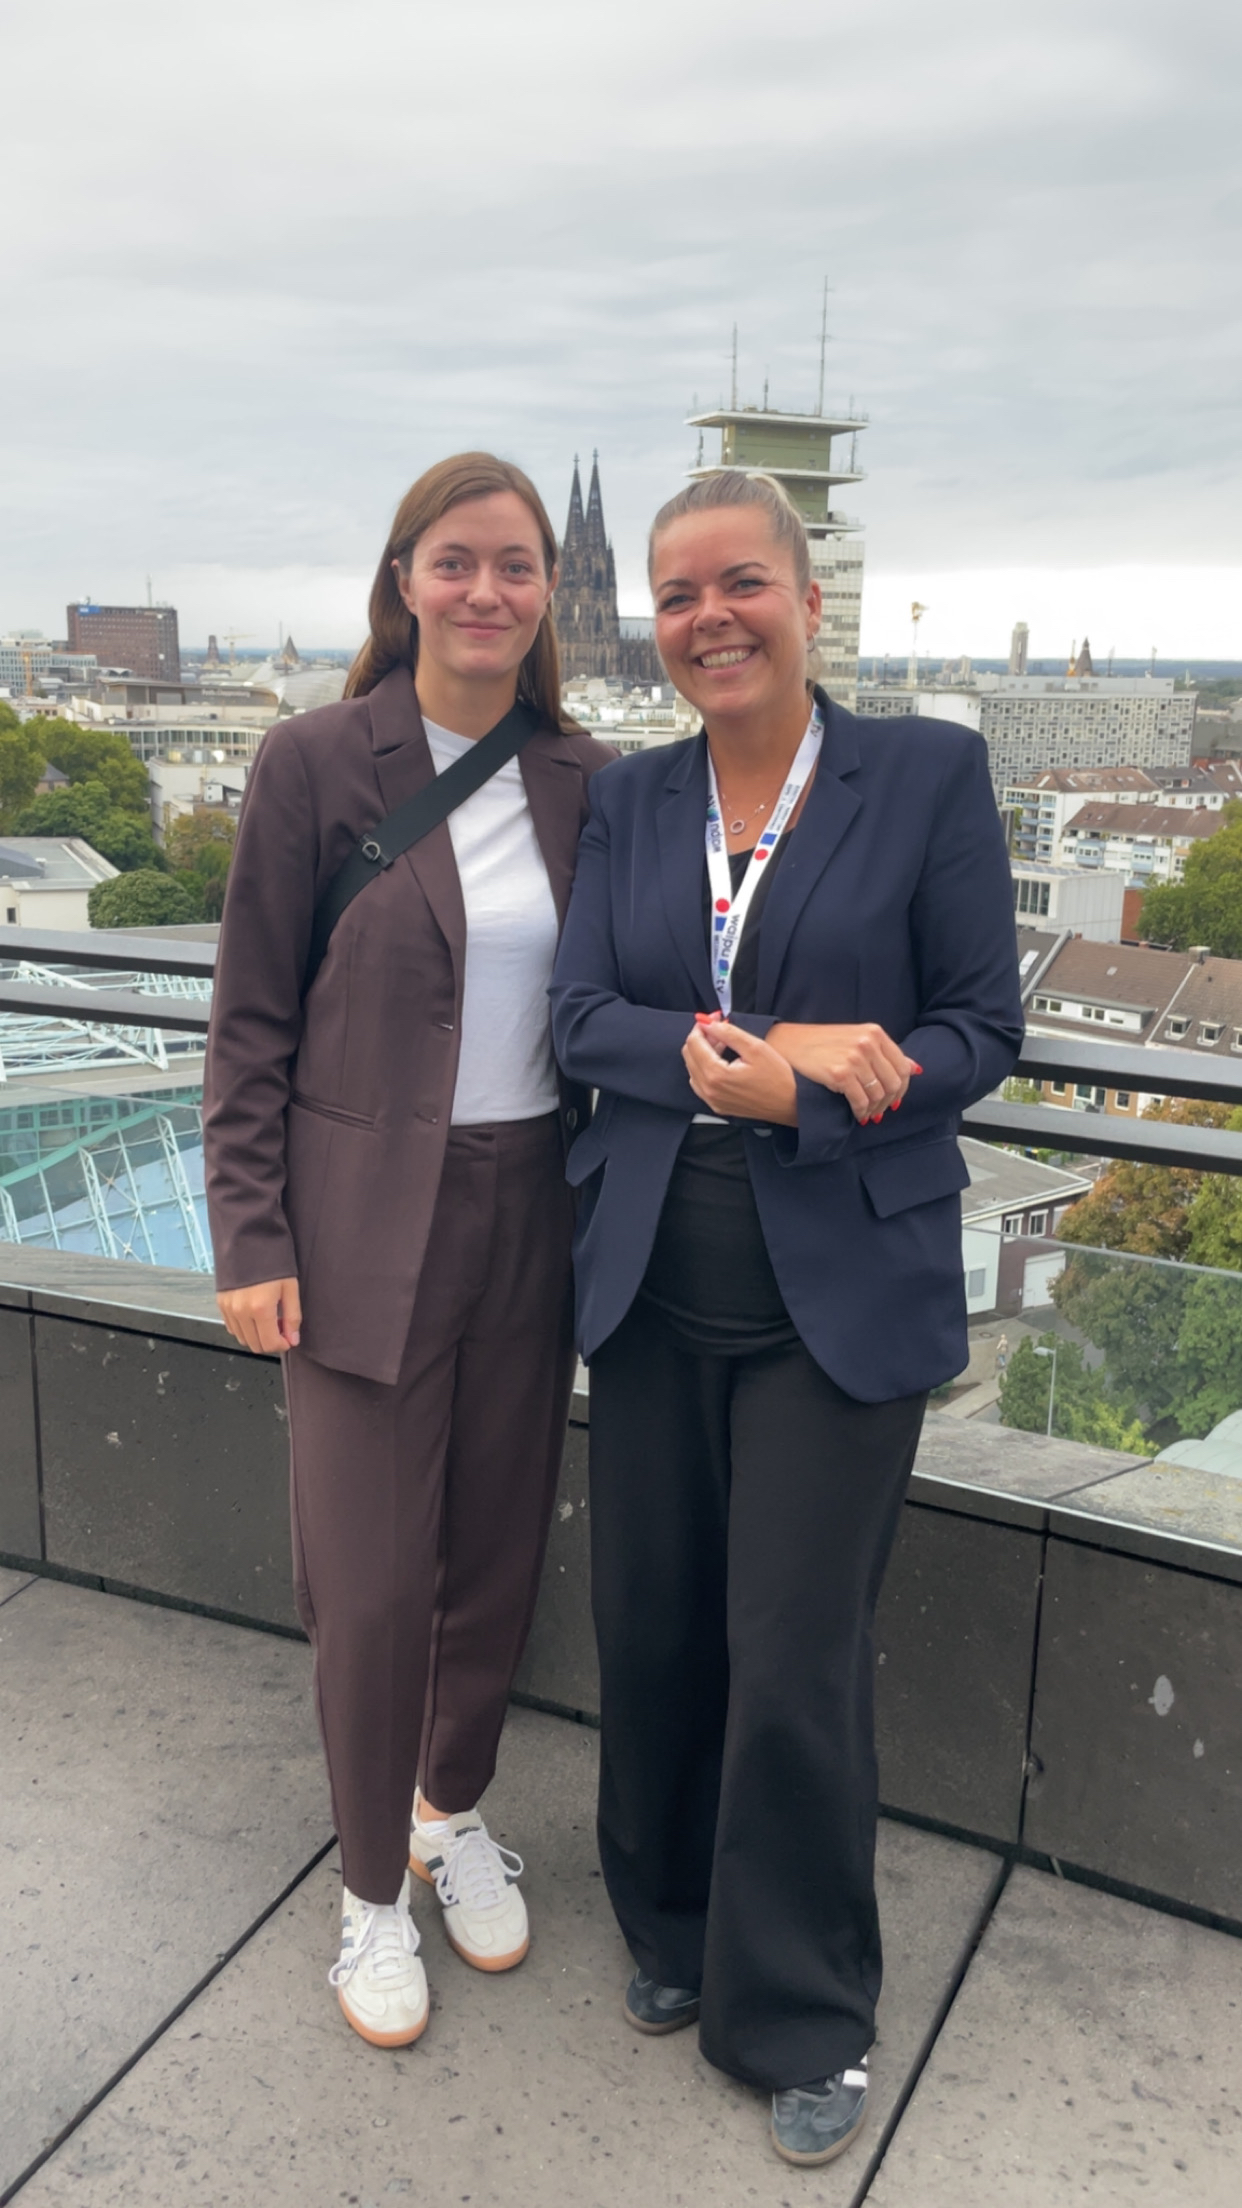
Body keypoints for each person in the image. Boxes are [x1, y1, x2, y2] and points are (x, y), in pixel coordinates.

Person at [549, 471, 1023, 2167]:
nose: (706, 618)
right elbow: (579, 1014)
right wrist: (760, 1052)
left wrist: (814, 1089)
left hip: (835, 1293)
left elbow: (979, 1027)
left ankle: (802, 2009)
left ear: (807, 600)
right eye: (676, 595)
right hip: (652, 1286)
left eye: (738, 582)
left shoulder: (924, 775)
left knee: (796, 1666)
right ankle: (668, 1927)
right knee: (658, 1627)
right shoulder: (630, 797)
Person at [203, 453, 613, 2049]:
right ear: (404, 580)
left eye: (517, 565)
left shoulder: (585, 774)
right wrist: (253, 1231)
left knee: (494, 1556)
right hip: (362, 1221)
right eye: (459, 561)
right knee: (371, 1584)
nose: (491, 591)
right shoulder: (319, 761)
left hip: (537, 1212)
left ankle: (452, 1815)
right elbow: (245, 1020)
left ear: (550, 593)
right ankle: (370, 1892)